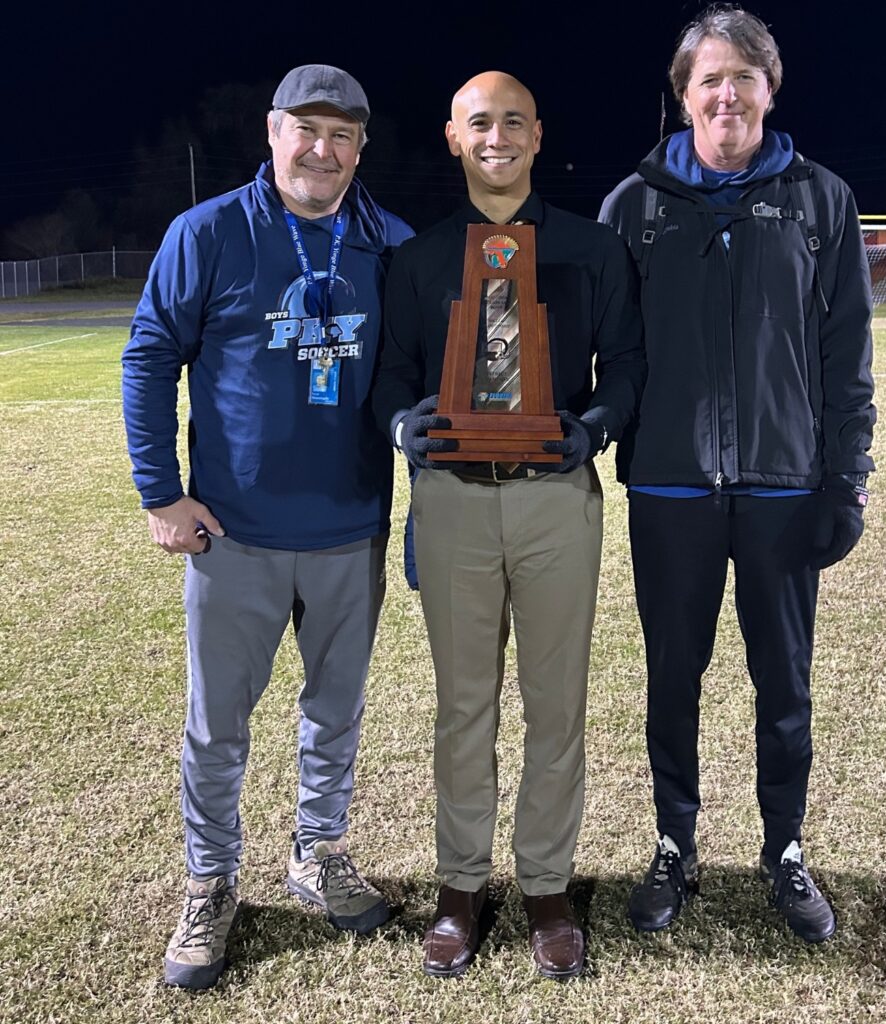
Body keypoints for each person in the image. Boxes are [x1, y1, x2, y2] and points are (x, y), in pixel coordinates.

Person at [122, 64, 413, 990]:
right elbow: (148, 357)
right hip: (234, 535)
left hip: (350, 528)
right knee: (218, 726)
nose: (322, 151)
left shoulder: (390, 243)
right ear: (273, 131)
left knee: (335, 713)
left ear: (361, 149)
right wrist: (162, 495)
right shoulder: (207, 232)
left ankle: (317, 850)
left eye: (343, 136)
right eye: (307, 130)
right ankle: (211, 881)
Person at [599, 5, 875, 944]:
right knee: (674, 677)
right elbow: (609, 354)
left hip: (783, 488)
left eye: (743, 76)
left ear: (769, 89)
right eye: (708, 78)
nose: (727, 94)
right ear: (682, 96)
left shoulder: (820, 201)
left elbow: (846, 355)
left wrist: (846, 479)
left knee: (784, 683)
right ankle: (675, 843)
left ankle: (785, 849)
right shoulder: (630, 207)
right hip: (671, 489)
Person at [373, 71, 644, 979]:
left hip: (554, 500)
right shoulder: (416, 260)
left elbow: (629, 371)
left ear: (537, 134)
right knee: (463, 705)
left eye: (514, 121)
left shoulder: (591, 249)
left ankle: (546, 887)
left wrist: (592, 429)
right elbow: (389, 381)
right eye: (479, 122)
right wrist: (403, 428)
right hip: (452, 497)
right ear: (453, 137)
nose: (498, 136)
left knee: (556, 704)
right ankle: (460, 886)